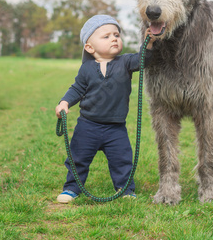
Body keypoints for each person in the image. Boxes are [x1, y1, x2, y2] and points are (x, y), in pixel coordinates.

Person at [55, 14, 156, 203]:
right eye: (106, 36)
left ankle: (125, 189)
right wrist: (64, 102)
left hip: (115, 128)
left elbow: (143, 60)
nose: (114, 39)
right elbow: (77, 88)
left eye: (116, 34)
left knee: (122, 160)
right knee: (78, 158)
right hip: (87, 126)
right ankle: (72, 188)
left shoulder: (125, 62)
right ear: (89, 47)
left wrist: (148, 44)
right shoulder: (86, 69)